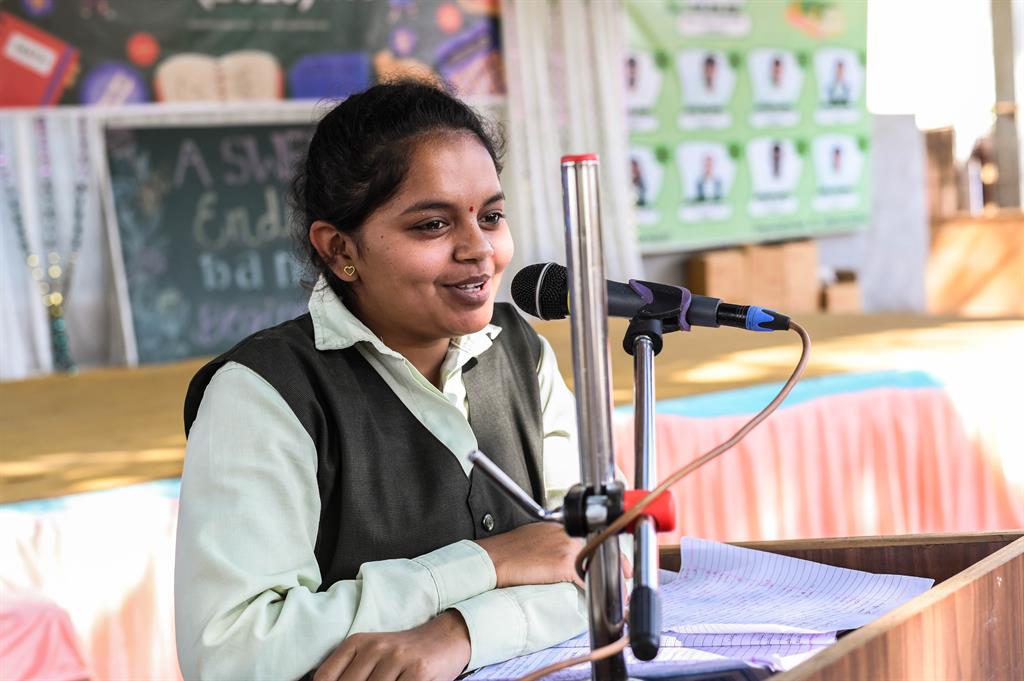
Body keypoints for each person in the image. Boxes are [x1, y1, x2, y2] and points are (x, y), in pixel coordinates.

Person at [174, 81, 594, 681]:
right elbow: (234, 654)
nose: (479, 249)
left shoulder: (521, 353)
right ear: (339, 249)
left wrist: (459, 635)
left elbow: (599, 567)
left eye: (491, 216)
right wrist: (488, 563)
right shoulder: (263, 393)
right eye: (433, 225)